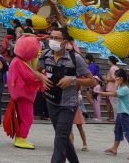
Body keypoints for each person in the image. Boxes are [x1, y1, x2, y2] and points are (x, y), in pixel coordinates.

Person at [38, 27, 96, 163]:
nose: (52, 41)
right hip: (51, 102)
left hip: (68, 105)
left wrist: (73, 80)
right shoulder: (45, 54)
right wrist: (41, 77)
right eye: (51, 37)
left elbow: (92, 81)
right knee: (62, 137)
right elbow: (36, 70)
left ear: (64, 42)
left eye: (56, 38)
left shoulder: (75, 58)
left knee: (59, 139)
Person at [97, 68, 129, 160]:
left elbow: (113, 93)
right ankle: (114, 148)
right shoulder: (121, 87)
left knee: (127, 132)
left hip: (125, 114)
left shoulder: (125, 89)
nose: (114, 79)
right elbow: (112, 93)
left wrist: (115, 84)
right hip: (120, 113)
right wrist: (100, 93)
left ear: (121, 79)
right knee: (117, 131)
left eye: (116, 78)